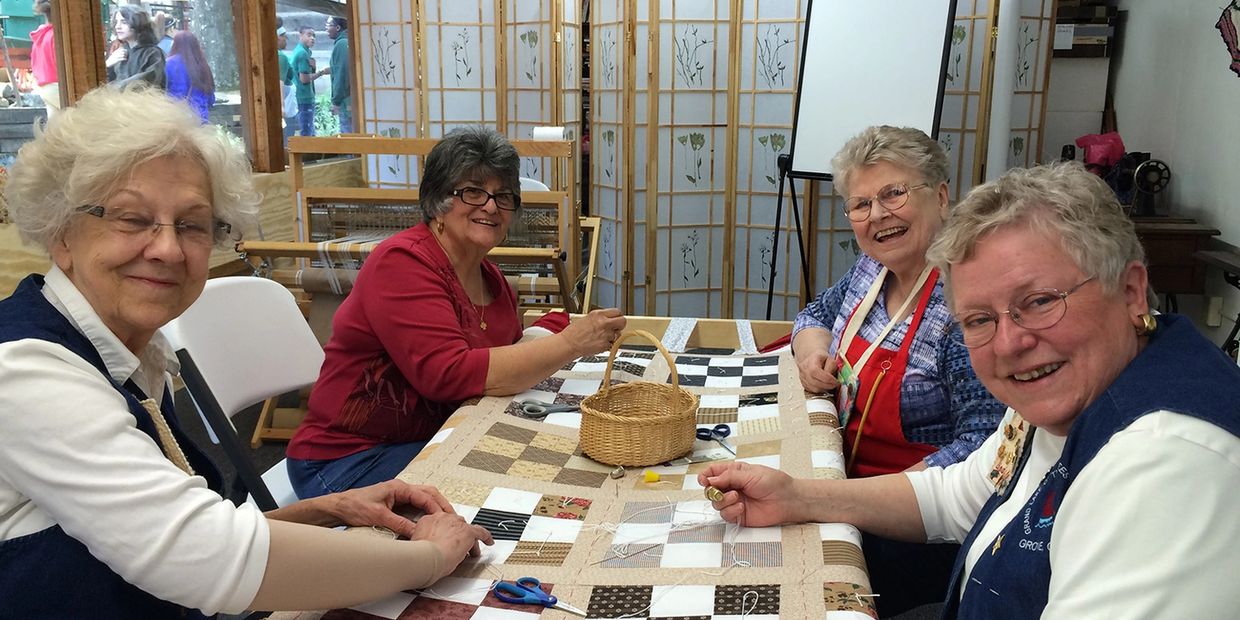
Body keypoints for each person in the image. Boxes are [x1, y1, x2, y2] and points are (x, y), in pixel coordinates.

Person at [0, 86, 493, 618]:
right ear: (61, 234)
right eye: (130, 218)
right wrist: (430, 557)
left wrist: (328, 509)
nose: (167, 248)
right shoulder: (25, 370)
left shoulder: (135, 352)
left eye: (191, 224)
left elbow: (170, 530)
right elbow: (204, 557)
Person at [700, 161, 1240, 619]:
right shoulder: (1066, 392)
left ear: (1130, 291)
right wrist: (798, 496)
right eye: (979, 319)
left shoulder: (1167, 462)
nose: (1010, 342)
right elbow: (962, 492)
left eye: (1040, 301)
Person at [286, 126, 627, 499]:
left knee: (550, 461)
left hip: (439, 434)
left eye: (503, 196)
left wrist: (554, 329)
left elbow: (505, 363)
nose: (491, 206)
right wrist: (570, 343)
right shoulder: (402, 263)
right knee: (512, 484)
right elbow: (448, 375)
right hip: (347, 459)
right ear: (437, 201)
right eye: (473, 192)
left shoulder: (490, 278)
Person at [791, 125, 1004, 614]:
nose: (878, 215)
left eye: (894, 193)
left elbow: (984, 447)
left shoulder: (963, 305)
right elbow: (815, 315)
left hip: (916, 531)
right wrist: (812, 354)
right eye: (861, 204)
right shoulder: (872, 270)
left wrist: (861, 501)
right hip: (842, 479)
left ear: (942, 196)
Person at [105, 5, 166, 89]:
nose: (117, 26)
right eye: (116, 22)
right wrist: (107, 65)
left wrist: (115, 88)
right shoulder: (119, 53)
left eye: (124, 22)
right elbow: (105, 83)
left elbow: (146, 81)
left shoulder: (153, 53)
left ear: (138, 23)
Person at [165, 31, 215, 123]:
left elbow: (163, 92)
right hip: (200, 120)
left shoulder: (168, 64)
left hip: (177, 120)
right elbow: (211, 99)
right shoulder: (202, 65)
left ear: (175, 44)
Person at [291, 25, 325, 136]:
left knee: (309, 130)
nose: (312, 38)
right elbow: (304, 79)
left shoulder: (303, 51)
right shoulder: (302, 53)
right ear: (300, 35)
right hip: (304, 97)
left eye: (314, 36)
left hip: (302, 96)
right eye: (309, 35)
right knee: (307, 132)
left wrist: (313, 69)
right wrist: (321, 73)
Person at [29, 0, 59, 118]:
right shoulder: (56, 36)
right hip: (58, 88)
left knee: (55, 130)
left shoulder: (41, 35)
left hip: (44, 88)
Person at [325, 16, 351, 134]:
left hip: (346, 100)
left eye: (329, 25)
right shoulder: (345, 42)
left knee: (348, 137)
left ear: (338, 27)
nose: (326, 28)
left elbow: (341, 74)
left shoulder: (341, 44)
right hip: (349, 98)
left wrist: (336, 101)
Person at [276, 19, 297, 147]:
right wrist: (282, 106)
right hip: (286, 106)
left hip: (285, 103)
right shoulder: (281, 57)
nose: (285, 39)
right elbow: (279, 82)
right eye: (283, 36)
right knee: (287, 140)